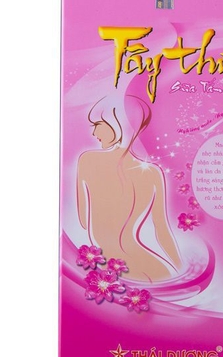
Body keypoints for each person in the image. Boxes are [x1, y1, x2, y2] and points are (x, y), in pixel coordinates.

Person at [77, 94, 182, 282]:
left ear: (117, 123)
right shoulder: (153, 174)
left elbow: (84, 222)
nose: (94, 133)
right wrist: (180, 270)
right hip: (150, 266)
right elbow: (162, 231)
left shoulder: (87, 161)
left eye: (98, 125)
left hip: (110, 264)